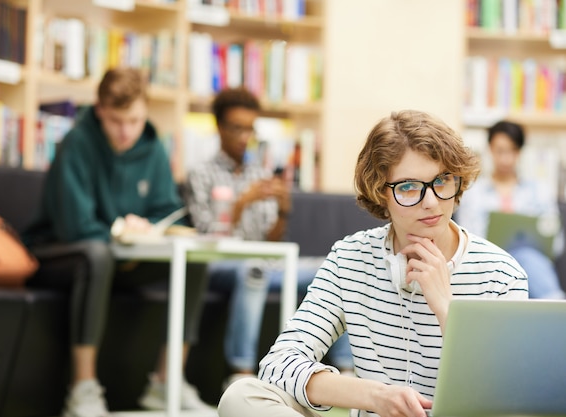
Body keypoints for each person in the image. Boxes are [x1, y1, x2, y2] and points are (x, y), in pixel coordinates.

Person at [217, 109, 529, 417]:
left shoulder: (501, 275)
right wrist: (374, 396)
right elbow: (279, 363)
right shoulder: (350, 258)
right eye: (408, 187)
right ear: (381, 193)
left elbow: (503, 400)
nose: (431, 202)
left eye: (443, 180)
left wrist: (447, 310)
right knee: (241, 396)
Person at [22, 67, 212, 417]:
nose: (126, 132)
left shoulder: (153, 146)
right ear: (99, 111)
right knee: (96, 255)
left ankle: (166, 382)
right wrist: (119, 234)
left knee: (195, 260)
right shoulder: (76, 143)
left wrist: (148, 229)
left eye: (135, 121)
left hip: (123, 256)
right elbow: (74, 226)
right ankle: (83, 391)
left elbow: (170, 213)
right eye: (116, 121)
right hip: (61, 253)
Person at [183, 87, 353, 388]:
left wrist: (284, 212)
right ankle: (241, 373)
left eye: (249, 129)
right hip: (219, 265)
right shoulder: (201, 173)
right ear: (219, 128)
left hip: (264, 263)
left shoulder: (258, 173)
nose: (243, 137)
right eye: (236, 128)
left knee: (337, 269)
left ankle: (348, 369)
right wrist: (240, 203)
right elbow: (207, 235)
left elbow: (271, 242)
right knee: (254, 269)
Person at [455, 120, 566, 299]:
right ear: (490, 149)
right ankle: (556, 305)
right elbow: (469, 242)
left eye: (512, 151)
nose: (506, 158)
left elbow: (556, 243)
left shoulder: (540, 191)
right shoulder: (473, 193)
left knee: (525, 256)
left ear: (520, 152)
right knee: (515, 260)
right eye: (500, 150)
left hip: (533, 264)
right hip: (488, 263)